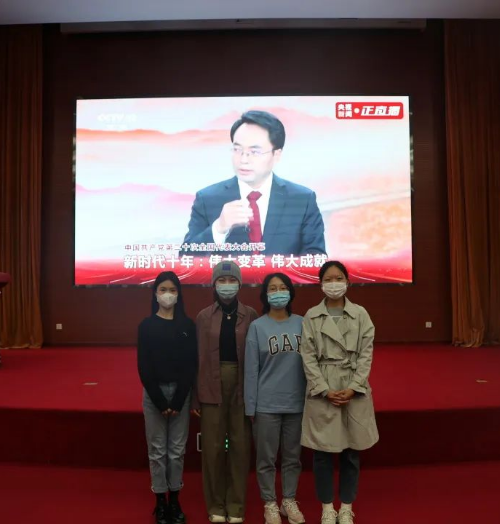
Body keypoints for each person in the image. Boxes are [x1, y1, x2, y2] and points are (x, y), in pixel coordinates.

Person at [182, 110, 326, 256]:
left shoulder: (302, 200)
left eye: (255, 152)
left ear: (276, 155)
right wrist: (219, 228)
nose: (243, 159)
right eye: (237, 149)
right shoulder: (207, 199)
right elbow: (185, 259)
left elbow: (316, 258)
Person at [300, 261, 379, 524]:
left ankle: (346, 506)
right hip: (324, 386)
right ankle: (327, 507)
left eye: (339, 278)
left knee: (351, 452)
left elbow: (366, 354)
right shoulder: (312, 316)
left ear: (348, 282)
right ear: (320, 283)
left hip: (352, 387)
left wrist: (355, 386)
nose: (334, 283)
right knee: (322, 453)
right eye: (328, 279)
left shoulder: (361, 314)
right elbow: (308, 356)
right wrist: (323, 389)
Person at [192, 261, 259, 523]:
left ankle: (236, 505)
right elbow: (197, 357)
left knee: (240, 447)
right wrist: (196, 395)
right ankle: (216, 505)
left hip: (242, 383)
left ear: (240, 284)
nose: (227, 285)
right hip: (211, 382)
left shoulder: (251, 314)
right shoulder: (203, 316)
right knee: (213, 447)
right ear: (214, 284)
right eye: (222, 280)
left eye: (232, 281)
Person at [244, 273, 307, 524]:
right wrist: (251, 406)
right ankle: (269, 502)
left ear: (290, 292)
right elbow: (251, 370)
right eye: (273, 288)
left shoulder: (303, 323)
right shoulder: (257, 327)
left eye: (283, 287)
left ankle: (288, 500)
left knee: (292, 457)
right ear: (265, 294)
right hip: (266, 405)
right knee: (266, 458)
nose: (278, 292)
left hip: (297, 403)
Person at [137, 271, 198, 524]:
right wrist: (161, 401)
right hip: (155, 396)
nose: (168, 294)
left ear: (178, 294)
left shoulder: (187, 326)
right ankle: (160, 501)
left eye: (172, 290)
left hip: (180, 395)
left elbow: (191, 364)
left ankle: (175, 499)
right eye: (163, 290)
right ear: (155, 294)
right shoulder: (146, 326)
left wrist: (179, 398)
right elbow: (144, 366)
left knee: (176, 451)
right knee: (157, 450)